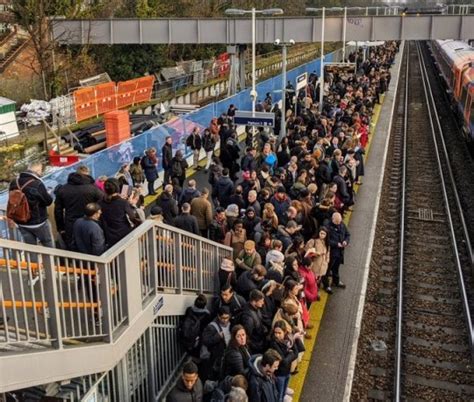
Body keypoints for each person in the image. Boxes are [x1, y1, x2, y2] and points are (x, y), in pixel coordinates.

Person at [54, 165, 103, 249]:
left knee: (73, 246)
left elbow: (58, 211)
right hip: (90, 222)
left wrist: (60, 228)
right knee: (91, 245)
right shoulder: (93, 188)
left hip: (70, 223)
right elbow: (102, 201)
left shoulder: (63, 189)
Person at [8, 161, 54, 247]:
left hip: (21, 221)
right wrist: (48, 194)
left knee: (30, 248)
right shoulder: (37, 184)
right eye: (40, 170)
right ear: (36, 171)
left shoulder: (14, 182)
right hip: (38, 222)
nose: (41, 173)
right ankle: (50, 260)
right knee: (48, 244)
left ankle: (33, 260)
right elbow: (48, 201)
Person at [99, 178, 141, 248]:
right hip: (123, 232)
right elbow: (133, 217)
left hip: (108, 234)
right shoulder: (123, 202)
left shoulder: (100, 202)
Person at [270, 321, 298, 402]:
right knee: (279, 395)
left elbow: (296, 352)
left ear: (285, 332)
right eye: (275, 332)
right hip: (279, 373)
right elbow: (283, 360)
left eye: (279, 333)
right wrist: (290, 353)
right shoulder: (273, 343)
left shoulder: (289, 338)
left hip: (287, 371)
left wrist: (290, 354)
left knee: (284, 389)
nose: (277, 335)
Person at [200, 306, 231, 381]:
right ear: (218, 316)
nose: (225, 320)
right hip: (215, 357)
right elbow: (205, 340)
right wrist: (217, 337)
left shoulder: (231, 323)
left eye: (227, 317)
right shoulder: (212, 326)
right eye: (223, 318)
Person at [326, 212, 350, 290]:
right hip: (331, 252)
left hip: (340, 252)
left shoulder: (342, 224)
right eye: (336, 222)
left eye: (339, 222)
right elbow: (327, 240)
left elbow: (347, 234)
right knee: (328, 269)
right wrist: (336, 244)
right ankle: (326, 285)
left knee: (336, 268)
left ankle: (336, 281)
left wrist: (345, 241)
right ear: (332, 219)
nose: (338, 223)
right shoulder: (327, 227)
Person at [240, 289, 267, 354]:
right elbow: (247, 335)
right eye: (261, 301)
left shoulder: (256, 308)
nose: (263, 303)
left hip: (259, 342)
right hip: (254, 346)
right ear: (254, 302)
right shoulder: (248, 317)